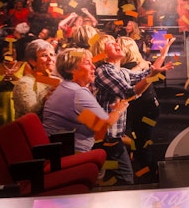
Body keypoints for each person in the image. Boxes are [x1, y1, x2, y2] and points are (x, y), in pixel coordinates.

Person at [92, 34, 173, 184]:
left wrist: (163, 55)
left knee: (117, 177)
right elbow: (130, 92)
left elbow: (147, 73)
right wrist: (151, 76)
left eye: (116, 42)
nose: (117, 44)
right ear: (101, 52)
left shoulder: (119, 71)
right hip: (104, 137)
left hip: (112, 137)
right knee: (121, 178)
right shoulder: (104, 70)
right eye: (111, 43)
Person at [42, 47, 127, 154]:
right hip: (71, 154)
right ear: (72, 69)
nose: (93, 67)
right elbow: (104, 125)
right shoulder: (78, 93)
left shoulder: (65, 87)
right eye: (87, 63)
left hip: (57, 150)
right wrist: (119, 109)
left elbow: (91, 123)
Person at [117, 36, 161, 178]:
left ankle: (151, 176)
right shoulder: (140, 63)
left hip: (143, 109)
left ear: (125, 50)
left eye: (118, 47)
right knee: (142, 141)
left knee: (142, 144)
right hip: (149, 108)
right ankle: (148, 172)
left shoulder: (129, 68)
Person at [12, 39, 59, 118]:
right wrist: (45, 100)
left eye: (52, 54)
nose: (50, 59)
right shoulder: (25, 83)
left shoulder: (57, 81)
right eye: (44, 55)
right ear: (32, 61)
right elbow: (30, 112)